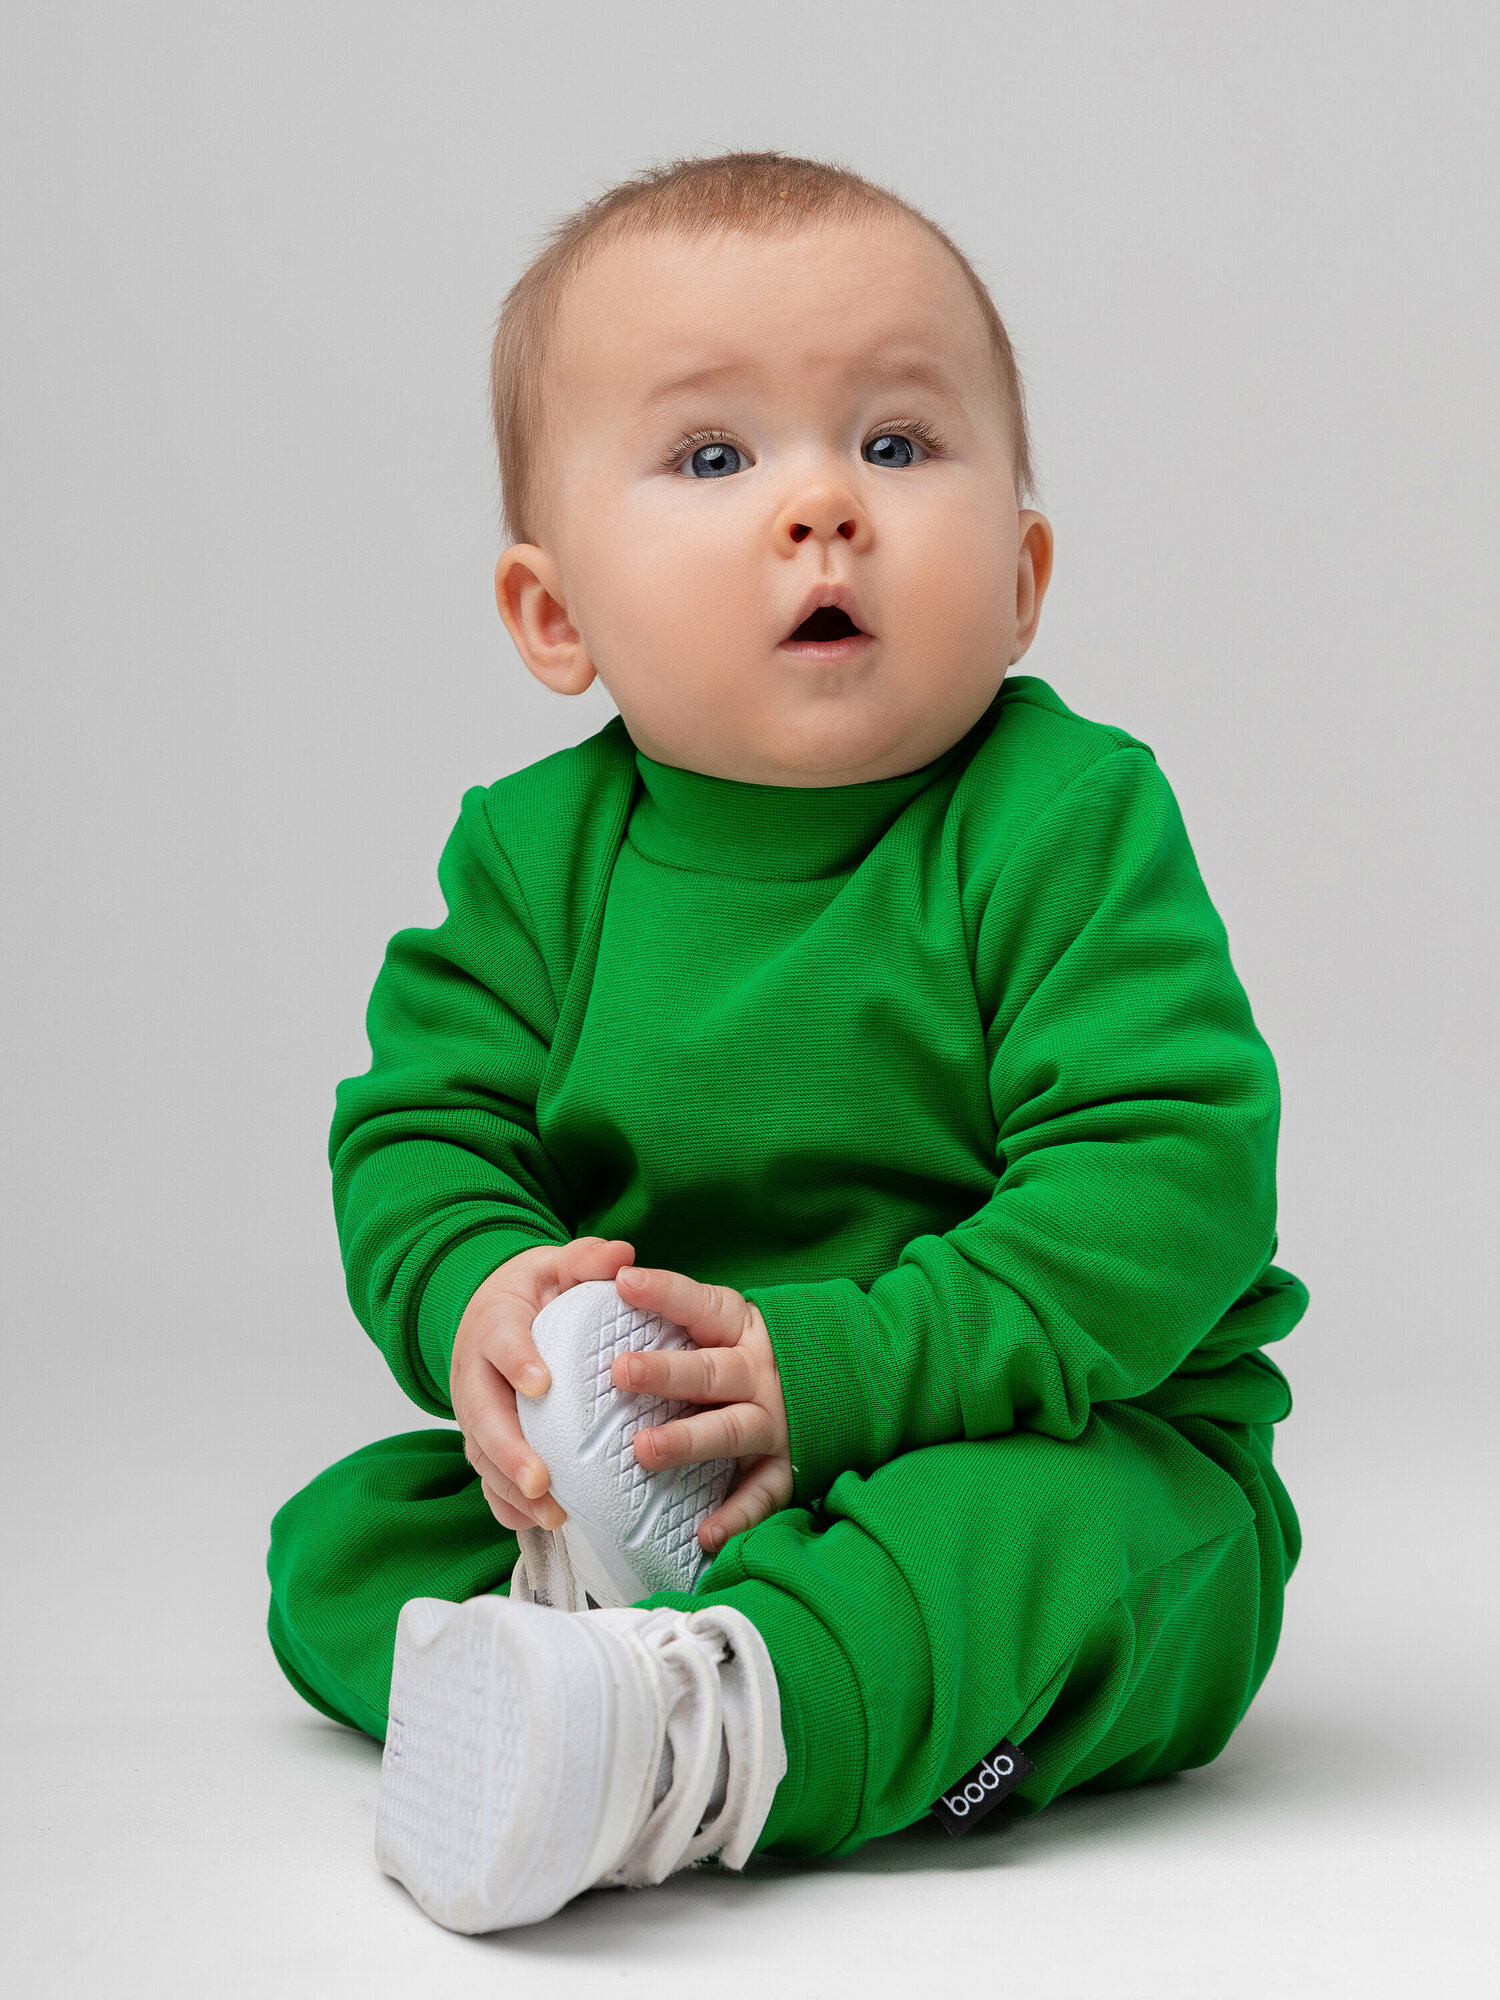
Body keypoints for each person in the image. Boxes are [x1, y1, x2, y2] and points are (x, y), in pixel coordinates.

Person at [266, 150, 1307, 1934]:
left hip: (1041, 1429)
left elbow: (1169, 1182)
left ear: (1024, 575)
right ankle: (618, 1642)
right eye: (713, 458)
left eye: (896, 443)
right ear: (556, 616)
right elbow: (423, 1136)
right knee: (337, 1546)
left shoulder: (1061, 819)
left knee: (1060, 1549)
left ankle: (712, 1736)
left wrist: (837, 1375)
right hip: (673, 1474)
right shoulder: (531, 860)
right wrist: (485, 1303)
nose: (824, 505)